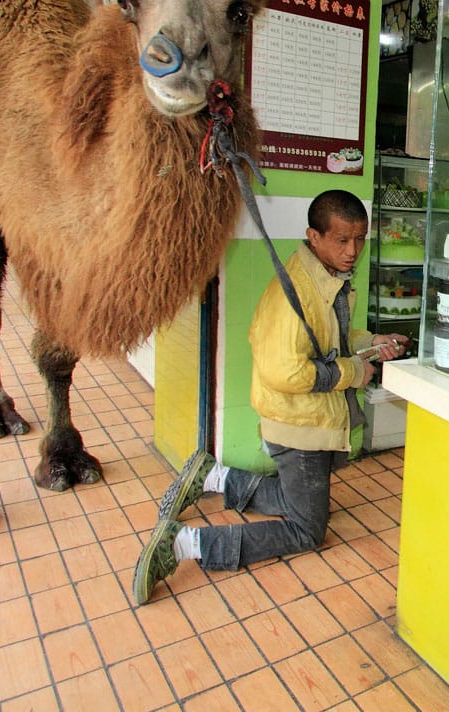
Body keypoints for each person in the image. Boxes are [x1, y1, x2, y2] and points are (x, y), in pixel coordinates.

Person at [132, 189, 408, 604]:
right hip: (298, 425)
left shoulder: (326, 279)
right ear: (314, 237)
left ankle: (215, 476)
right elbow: (286, 371)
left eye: (360, 240)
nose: (353, 251)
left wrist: (371, 341)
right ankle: (185, 545)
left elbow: (331, 338)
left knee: (301, 500)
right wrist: (353, 371)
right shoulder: (294, 294)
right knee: (306, 530)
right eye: (342, 240)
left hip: (311, 418)